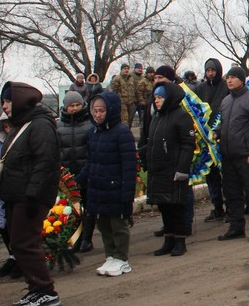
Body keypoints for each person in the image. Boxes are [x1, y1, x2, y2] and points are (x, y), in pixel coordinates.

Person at [0, 82, 62, 306]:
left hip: (30, 197)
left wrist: (33, 196)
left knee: (26, 243)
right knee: (18, 244)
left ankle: (46, 291)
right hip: (18, 195)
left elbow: (45, 164)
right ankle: (35, 287)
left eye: (7, 101)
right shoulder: (23, 124)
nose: (4, 106)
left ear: (20, 100)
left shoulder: (40, 125)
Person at [79, 92, 138, 278]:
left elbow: (130, 167)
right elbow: (90, 162)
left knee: (118, 225)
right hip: (98, 189)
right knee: (103, 225)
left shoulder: (122, 133)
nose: (98, 114)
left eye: (101, 111)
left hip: (116, 188)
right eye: (95, 111)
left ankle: (122, 258)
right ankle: (111, 255)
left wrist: (127, 195)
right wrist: (77, 180)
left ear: (110, 110)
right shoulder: (92, 133)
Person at [217, 66, 249, 243]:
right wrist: (216, 132)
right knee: (232, 194)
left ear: (241, 79)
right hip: (228, 155)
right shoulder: (225, 101)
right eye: (227, 77)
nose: (229, 80)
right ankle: (236, 227)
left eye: (233, 77)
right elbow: (224, 123)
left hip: (247, 156)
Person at [146, 83, 196, 257]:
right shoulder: (157, 117)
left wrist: (182, 169)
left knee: (176, 207)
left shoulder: (181, 116)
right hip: (159, 170)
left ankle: (180, 241)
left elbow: (188, 145)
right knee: (164, 206)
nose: (157, 101)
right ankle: (168, 239)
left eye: (160, 97)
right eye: (156, 98)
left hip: (174, 170)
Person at [58, 91, 95, 253]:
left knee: (88, 207)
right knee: (70, 209)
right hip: (65, 176)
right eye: (71, 106)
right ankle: (74, 239)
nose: (74, 108)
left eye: (77, 105)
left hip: (86, 173)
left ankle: (86, 239)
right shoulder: (58, 126)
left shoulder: (90, 124)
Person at [195, 58, 229, 222]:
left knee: (227, 174)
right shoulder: (201, 88)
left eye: (213, 70)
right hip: (206, 137)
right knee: (211, 175)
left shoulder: (225, 87)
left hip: (223, 135)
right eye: (208, 70)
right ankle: (217, 207)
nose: (210, 73)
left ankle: (231, 206)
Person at [0, 114, 19, 280]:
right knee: (2, 225)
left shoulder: (20, 141)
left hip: (15, 187)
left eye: (11, 126)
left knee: (15, 224)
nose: (8, 129)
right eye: (5, 127)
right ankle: (12, 256)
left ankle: (19, 258)